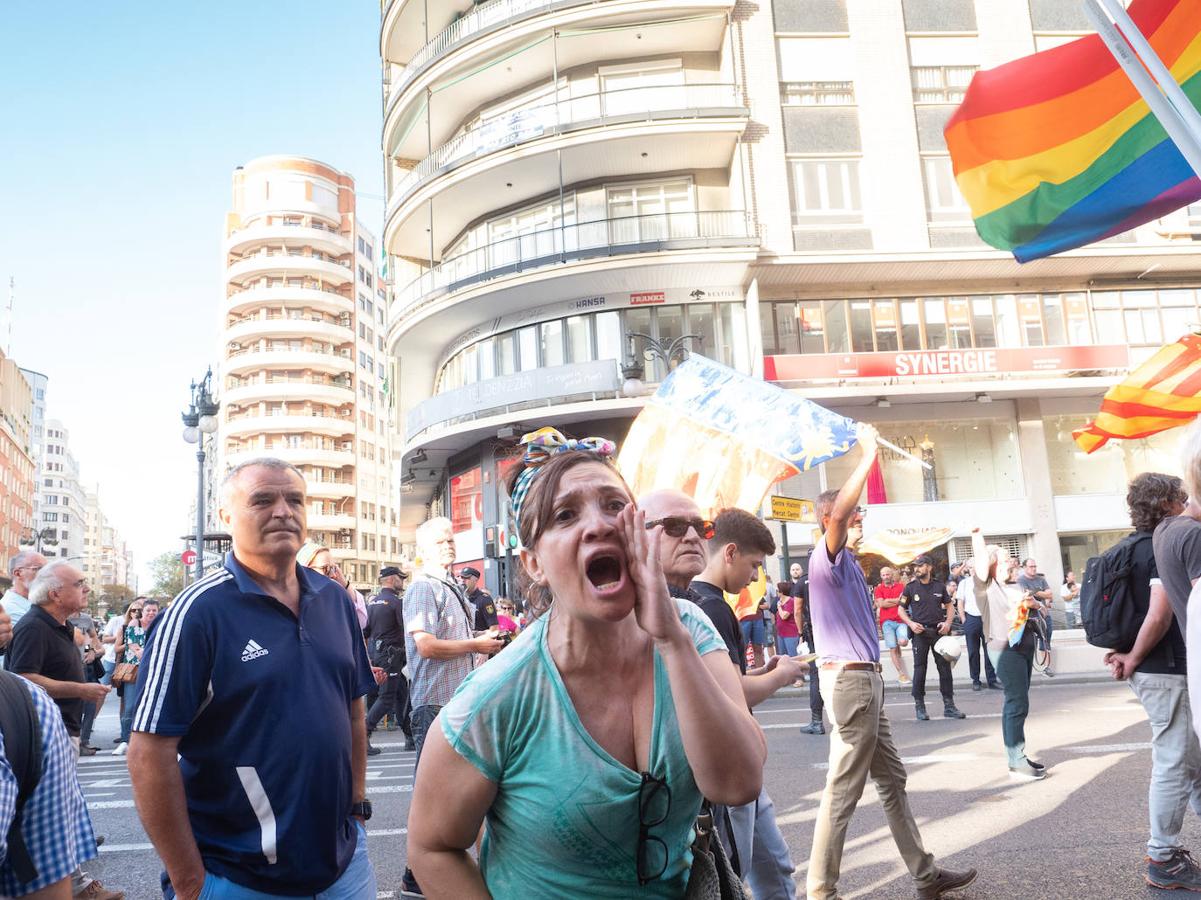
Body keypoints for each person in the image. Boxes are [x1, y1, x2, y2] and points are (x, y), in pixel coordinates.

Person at [406, 429, 764, 898]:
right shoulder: (497, 695)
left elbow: (738, 784)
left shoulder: (690, 628)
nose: (599, 525)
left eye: (614, 505)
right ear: (533, 562)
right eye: (565, 515)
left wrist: (670, 640)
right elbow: (432, 847)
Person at [126, 458, 377, 899]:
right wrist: (190, 883)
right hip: (236, 876)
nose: (283, 511)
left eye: (294, 499)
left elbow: (354, 711)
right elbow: (148, 754)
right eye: (263, 500)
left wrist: (356, 805)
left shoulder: (335, 600)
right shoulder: (196, 613)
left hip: (344, 866)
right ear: (225, 518)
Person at [806, 423, 975, 900]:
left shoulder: (850, 567)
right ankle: (820, 892)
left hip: (865, 683)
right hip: (852, 683)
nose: (860, 521)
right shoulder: (827, 556)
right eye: (854, 516)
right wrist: (866, 454)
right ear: (831, 520)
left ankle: (924, 875)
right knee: (842, 791)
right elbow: (839, 516)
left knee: (892, 782)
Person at [659, 496, 801, 900]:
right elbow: (729, 690)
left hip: (731, 765)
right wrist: (780, 676)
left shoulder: (698, 605)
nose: (756, 576)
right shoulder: (709, 609)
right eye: (755, 565)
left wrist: (764, 672)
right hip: (718, 773)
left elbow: (721, 680)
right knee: (733, 869)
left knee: (764, 866)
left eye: (697, 527)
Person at [1103, 473, 1201, 891]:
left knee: (1191, 763)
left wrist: (1126, 656)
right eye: (1181, 494)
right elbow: (1159, 614)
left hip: (1153, 670)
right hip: (1166, 668)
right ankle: (1163, 856)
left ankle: (1165, 855)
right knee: (1175, 761)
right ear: (1171, 500)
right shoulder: (1169, 539)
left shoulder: (1141, 542)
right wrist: (1134, 656)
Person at [400, 518, 504, 898]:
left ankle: (421, 876)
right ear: (423, 548)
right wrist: (476, 646)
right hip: (434, 703)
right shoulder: (424, 588)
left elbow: (452, 641)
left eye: (450, 540)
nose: (448, 545)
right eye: (440, 541)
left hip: (457, 702)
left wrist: (484, 638)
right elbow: (426, 645)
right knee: (434, 794)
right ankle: (416, 878)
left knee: (465, 791)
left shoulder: (450, 586)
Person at [7, 561, 120, 900]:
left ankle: (78, 885)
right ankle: (75, 888)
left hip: (61, 730)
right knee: (49, 817)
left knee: (63, 812)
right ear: (56, 593)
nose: (86, 588)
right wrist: (80, 690)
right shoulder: (33, 626)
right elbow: (23, 678)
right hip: (43, 734)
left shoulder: (59, 625)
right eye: (79, 583)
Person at [0, 674, 102, 899]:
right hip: (34, 720)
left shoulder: (31, 700)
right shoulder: (32, 697)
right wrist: (80, 688)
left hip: (32, 727)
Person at [971, 530, 1044, 780]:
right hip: (1003, 649)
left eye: (1010, 559)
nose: (1010, 563)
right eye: (1002, 560)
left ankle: (1018, 754)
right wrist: (976, 534)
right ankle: (1016, 761)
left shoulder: (1015, 585)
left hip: (1023, 645)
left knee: (1019, 701)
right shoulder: (985, 587)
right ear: (991, 565)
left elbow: (1034, 608)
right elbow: (980, 561)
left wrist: (1034, 604)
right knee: (1016, 702)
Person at [896, 556, 965, 722]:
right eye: (915, 566)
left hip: (939, 633)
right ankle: (920, 706)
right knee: (920, 669)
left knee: (945, 669)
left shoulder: (939, 586)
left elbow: (949, 606)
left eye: (920, 566)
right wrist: (911, 624)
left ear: (929, 567)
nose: (917, 569)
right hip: (920, 633)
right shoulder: (910, 588)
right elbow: (900, 610)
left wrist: (948, 623)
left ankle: (949, 706)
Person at [365, 566, 415, 754]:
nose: (402, 582)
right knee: (386, 699)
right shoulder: (396, 603)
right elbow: (407, 630)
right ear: (392, 579)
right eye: (400, 578)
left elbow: (366, 632)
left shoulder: (373, 602)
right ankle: (363, 733)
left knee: (401, 694)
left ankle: (409, 737)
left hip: (378, 655)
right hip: (392, 657)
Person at [297, 542, 368, 632]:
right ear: (305, 569)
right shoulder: (293, 603)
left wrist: (345, 584)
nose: (333, 575)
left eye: (334, 568)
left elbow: (361, 620)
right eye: (326, 569)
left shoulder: (335, 599)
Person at [956, 560, 1000, 692]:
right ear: (968, 570)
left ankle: (992, 680)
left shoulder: (989, 582)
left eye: (976, 567)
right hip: (971, 619)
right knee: (973, 652)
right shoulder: (964, 583)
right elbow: (960, 602)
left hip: (987, 619)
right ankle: (975, 680)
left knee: (990, 651)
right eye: (971, 568)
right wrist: (964, 619)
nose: (973, 570)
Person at [110, 601, 146, 758]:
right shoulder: (126, 627)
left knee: (144, 707)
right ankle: (125, 740)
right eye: (134, 610)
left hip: (148, 670)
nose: (137, 612)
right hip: (131, 669)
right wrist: (134, 645)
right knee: (129, 706)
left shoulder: (156, 625)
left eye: (140, 610)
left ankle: (141, 741)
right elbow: (119, 648)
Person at [793, 565, 825, 735]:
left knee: (815, 675)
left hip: (814, 631)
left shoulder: (802, 582)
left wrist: (800, 633)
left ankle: (817, 721)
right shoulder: (829, 575)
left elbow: (797, 610)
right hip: (834, 630)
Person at [1, 552, 46, 668]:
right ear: (18, 573)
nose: (47, 575)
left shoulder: (32, 607)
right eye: (40, 569)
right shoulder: (9, 610)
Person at [874, 567, 911, 686]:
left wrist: (888, 601)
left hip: (901, 620)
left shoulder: (901, 587)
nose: (885, 577)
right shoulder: (878, 589)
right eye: (883, 575)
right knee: (893, 648)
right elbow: (881, 604)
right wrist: (896, 600)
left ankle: (900, 664)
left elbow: (904, 601)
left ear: (891, 575)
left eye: (887, 575)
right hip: (886, 622)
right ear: (881, 576)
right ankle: (901, 673)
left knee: (903, 642)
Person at [1018, 558, 1055, 677]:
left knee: (1045, 638)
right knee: (1027, 642)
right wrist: (1040, 594)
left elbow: (1049, 594)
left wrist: (1034, 592)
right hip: (1029, 616)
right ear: (1024, 567)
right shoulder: (1021, 580)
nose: (1033, 568)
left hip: (1043, 614)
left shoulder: (1041, 579)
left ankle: (1046, 666)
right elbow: (1025, 595)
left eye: (1034, 566)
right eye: (1030, 566)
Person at [458, 567, 496, 633]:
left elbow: (494, 628)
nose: (463, 580)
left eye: (467, 578)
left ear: (476, 580)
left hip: (480, 640)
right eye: (461, 577)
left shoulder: (484, 599)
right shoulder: (459, 598)